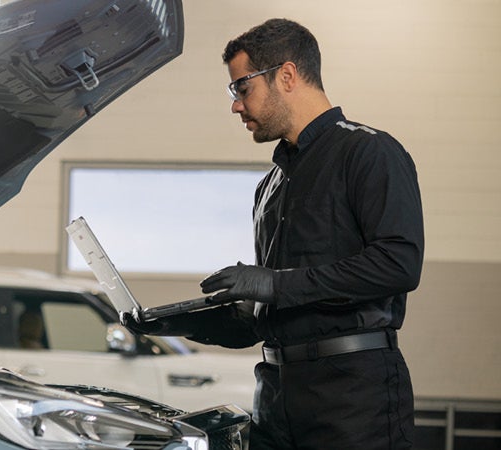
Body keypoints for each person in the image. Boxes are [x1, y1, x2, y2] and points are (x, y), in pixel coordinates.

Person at [123, 18, 424, 449]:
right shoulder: (270, 188)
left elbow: (399, 265)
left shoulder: (369, 153)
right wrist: (176, 324)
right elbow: (268, 318)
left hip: (354, 401)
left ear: (286, 75)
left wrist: (273, 282)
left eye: (241, 88)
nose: (236, 106)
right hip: (276, 398)